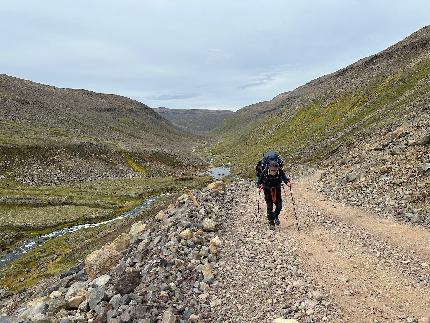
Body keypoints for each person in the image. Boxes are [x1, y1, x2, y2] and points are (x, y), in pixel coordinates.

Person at [257, 158, 291, 230]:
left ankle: (275, 216)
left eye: (274, 170)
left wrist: (288, 183)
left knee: (279, 206)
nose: (273, 172)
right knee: (270, 207)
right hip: (267, 190)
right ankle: (271, 222)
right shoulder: (265, 171)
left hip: (277, 189)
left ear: (277, 168)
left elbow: (284, 178)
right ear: (269, 168)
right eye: (272, 170)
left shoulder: (279, 171)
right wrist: (259, 186)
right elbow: (259, 180)